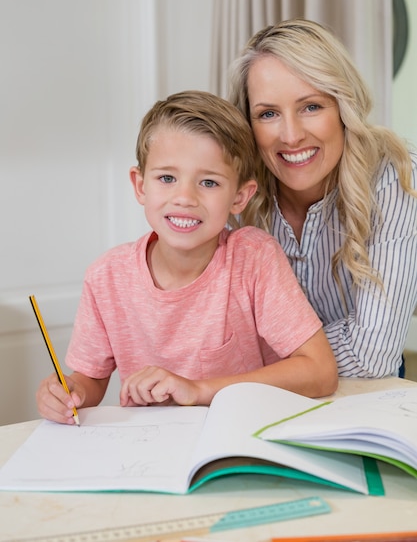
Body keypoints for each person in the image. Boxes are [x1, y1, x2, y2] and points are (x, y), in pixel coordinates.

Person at [36, 90, 337, 424]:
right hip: (148, 456)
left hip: (236, 440)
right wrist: (68, 392)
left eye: (208, 182)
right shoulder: (106, 277)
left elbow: (320, 370)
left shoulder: (254, 259)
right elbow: (89, 381)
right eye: (167, 178)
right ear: (140, 185)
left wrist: (197, 389)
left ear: (240, 197)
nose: (184, 198)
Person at [228, 18, 417, 379]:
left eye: (311, 106)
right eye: (268, 114)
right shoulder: (233, 193)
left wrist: (257, 363)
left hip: (364, 396)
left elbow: (372, 355)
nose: (291, 135)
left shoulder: (396, 179)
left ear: (342, 107)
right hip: (258, 395)